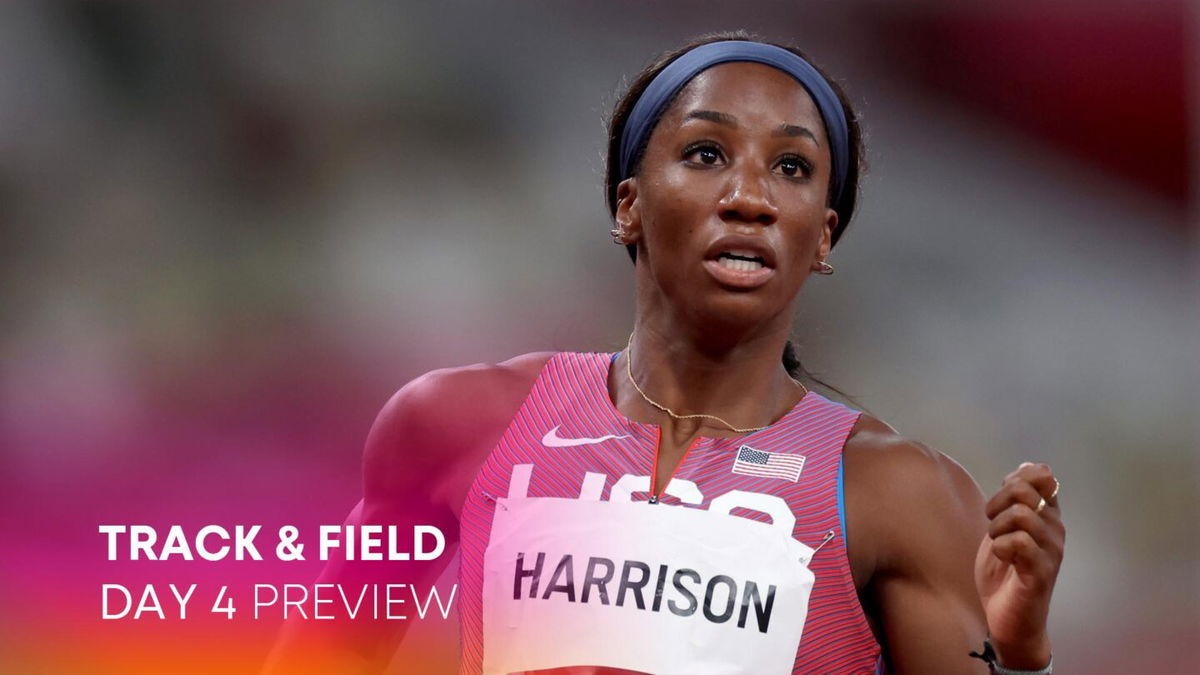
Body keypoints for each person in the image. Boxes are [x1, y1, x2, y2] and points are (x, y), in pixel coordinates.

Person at [265, 31, 1065, 675]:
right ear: (629, 206)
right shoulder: (454, 424)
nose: (749, 197)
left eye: (791, 168)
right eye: (706, 154)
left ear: (821, 236)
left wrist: (1022, 660)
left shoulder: (901, 495)